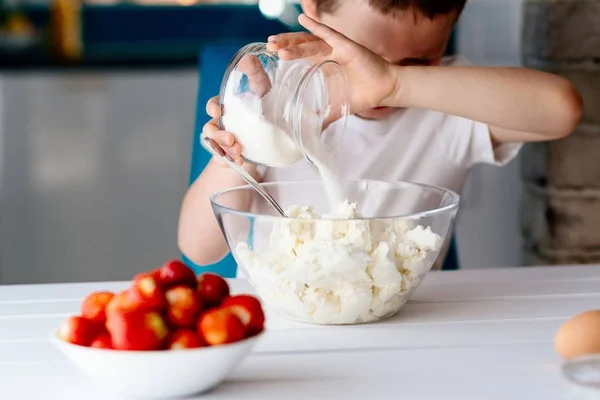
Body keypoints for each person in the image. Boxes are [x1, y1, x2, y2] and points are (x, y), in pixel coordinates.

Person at [178, 0, 583, 269]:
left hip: (410, 328)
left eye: (420, 60)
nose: (375, 76)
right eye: (366, 53)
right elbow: (199, 249)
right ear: (314, 7)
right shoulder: (272, 101)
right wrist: (236, 161)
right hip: (287, 328)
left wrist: (399, 82)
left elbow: (562, 110)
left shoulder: (447, 103)